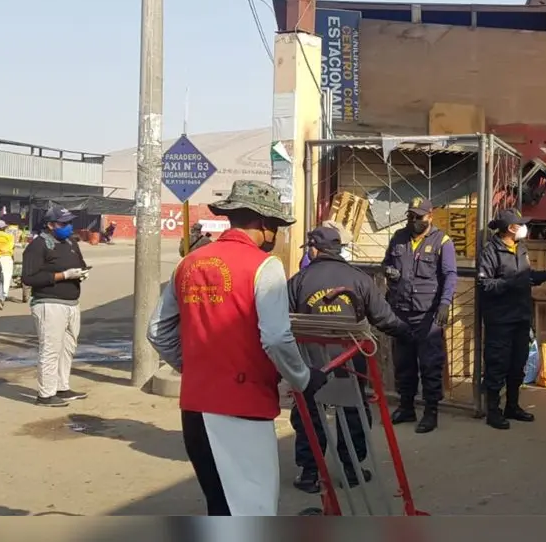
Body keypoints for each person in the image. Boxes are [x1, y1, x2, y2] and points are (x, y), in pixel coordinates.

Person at [147, 180, 329, 516]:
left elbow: (157, 331)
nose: (276, 235)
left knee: (220, 505)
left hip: (195, 409)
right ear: (263, 224)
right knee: (252, 511)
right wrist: (303, 379)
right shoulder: (264, 266)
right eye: (275, 226)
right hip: (243, 409)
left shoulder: (189, 263)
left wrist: (197, 369)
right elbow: (275, 337)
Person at [287, 225, 412, 494]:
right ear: (338, 249)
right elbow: (383, 318)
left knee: (309, 411)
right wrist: (408, 333)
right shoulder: (359, 279)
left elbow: (281, 323)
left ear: (314, 249)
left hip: (311, 362)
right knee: (353, 408)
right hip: (350, 359)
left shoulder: (298, 281)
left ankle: (310, 473)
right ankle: (352, 469)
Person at [477, 208, 546, 429]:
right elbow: (485, 285)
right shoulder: (491, 252)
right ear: (511, 228)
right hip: (500, 319)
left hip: (521, 316)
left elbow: (525, 277)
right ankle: (493, 412)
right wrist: (509, 283)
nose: (524, 228)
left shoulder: (520, 248)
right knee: (497, 364)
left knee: (518, 365)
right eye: (520, 224)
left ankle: (512, 406)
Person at [382, 197, 458, 434]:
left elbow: (450, 275)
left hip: (428, 315)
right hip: (401, 311)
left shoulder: (442, 241)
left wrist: (445, 304)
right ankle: (406, 407)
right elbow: (385, 263)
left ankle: (430, 411)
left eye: (419, 217)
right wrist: (389, 271)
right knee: (403, 363)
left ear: (430, 216)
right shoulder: (398, 237)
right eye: (411, 216)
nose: (414, 221)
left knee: (430, 364)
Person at [20, 207, 90, 407]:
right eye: (62, 223)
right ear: (50, 225)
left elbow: (81, 263)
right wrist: (63, 276)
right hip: (49, 304)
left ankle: (62, 387)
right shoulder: (39, 246)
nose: (67, 227)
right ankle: (45, 394)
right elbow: (28, 278)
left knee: (67, 348)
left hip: (71, 304)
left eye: (69, 223)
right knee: (50, 349)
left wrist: (82, 273)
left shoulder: (70, 242)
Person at [0, 219, 15, 309]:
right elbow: (11, 248)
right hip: (6, 258)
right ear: (4, 228)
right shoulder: (9, 236)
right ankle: (1, 297)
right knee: (5, 278)